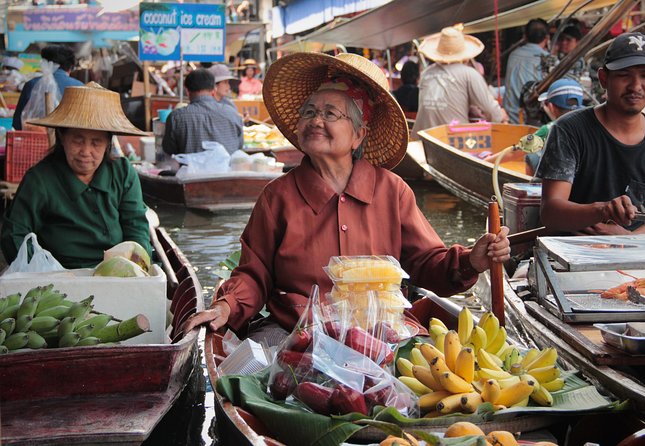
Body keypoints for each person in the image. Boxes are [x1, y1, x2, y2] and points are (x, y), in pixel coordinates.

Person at [183, 52, 511, 341]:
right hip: (297, 330)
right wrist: (227, 307)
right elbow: (254, 275)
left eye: (330, 114)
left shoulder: (392, 191)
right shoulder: (277, 196)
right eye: (309, 111)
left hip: (383, 330)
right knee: (262, 371)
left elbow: (427, 264)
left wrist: (472, 260)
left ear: (358, 135)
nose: (314, 120)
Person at [0, 82, 151, 269]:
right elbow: (14, 234)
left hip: (114, 274)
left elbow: (136, 226)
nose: (86, 151)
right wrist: (40, 270)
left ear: (108, 143)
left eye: (96, 143)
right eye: (78, 140)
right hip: (57, 277)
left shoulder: (123, 173)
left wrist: (135, 267)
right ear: (62, 138)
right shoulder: (40, 179)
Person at [536, 32, 645, 235]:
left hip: (634, 252)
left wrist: (628, 239)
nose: (635, 86)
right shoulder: (570, 129)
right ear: (603, 78)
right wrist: (602, 210)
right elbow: (551, 211)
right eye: (624, 75)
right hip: (571, 249)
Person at [411, 25, 508, 139]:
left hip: (422, 138)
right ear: (465, 56)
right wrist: (501, 115)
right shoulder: (469, 74)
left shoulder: (426, 73)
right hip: (452, 142)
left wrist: (470, 108)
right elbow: (491, 111)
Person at [162, 68, 243, 156]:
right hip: (227, 169)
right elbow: (239, 145)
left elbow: (169, 150)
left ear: (187, 91)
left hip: (191, 169)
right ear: (213, 89)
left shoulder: (176, 117)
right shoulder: (232, 112)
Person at [13, 44, 84, 130]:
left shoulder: (31, 84)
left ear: (44, 63)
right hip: (69, 140)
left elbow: (17, 123)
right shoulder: (80, 87)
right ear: (70, 67)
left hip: (34, 139)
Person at [525, 78, 584, 175]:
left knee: (532, 157)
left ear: (551, 107)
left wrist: (490, 161)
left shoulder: (549, 129)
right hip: (586, 176)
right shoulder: (589, 122)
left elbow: (517, 150)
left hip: (564, 176)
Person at [503, 19, 550, 124]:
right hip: (533, 122)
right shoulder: (548, 59)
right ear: (547, 38)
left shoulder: (513, 55)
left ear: (525, 36)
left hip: (510, 118)